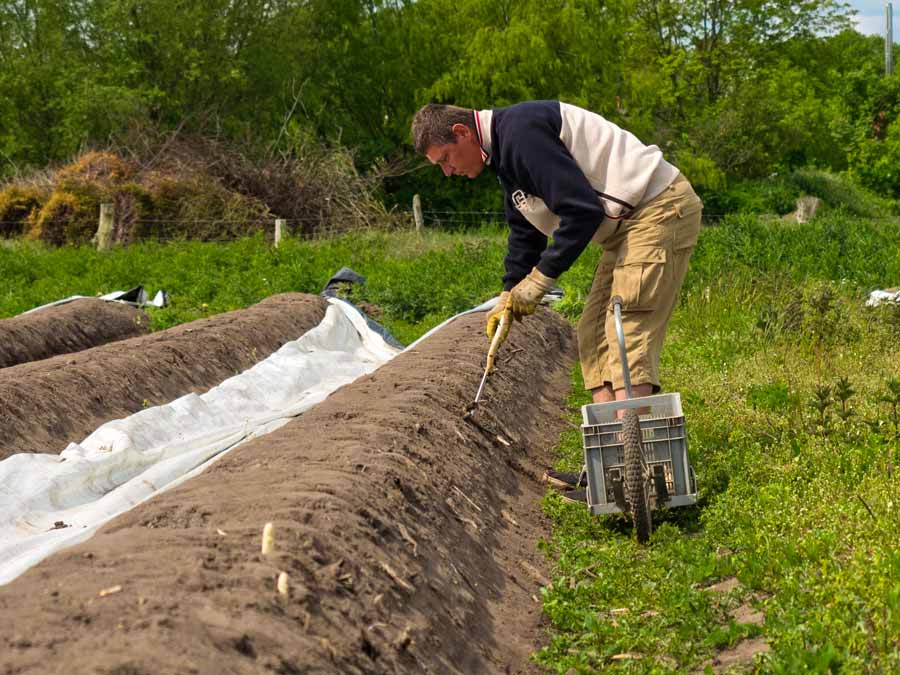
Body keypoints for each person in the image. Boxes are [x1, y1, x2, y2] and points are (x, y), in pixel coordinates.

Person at [412, 101, 702, 498]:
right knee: (592, 334)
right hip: (626, 227)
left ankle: (637, 476)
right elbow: (525, 231)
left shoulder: (522, 134)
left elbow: (580, 211)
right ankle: (608, 470)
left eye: (445, 159)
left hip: (658, 208)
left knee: (625, 326)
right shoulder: (504, 154)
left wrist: (540, 281)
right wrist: (508, 292)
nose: (449, 171)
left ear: (462, 133)